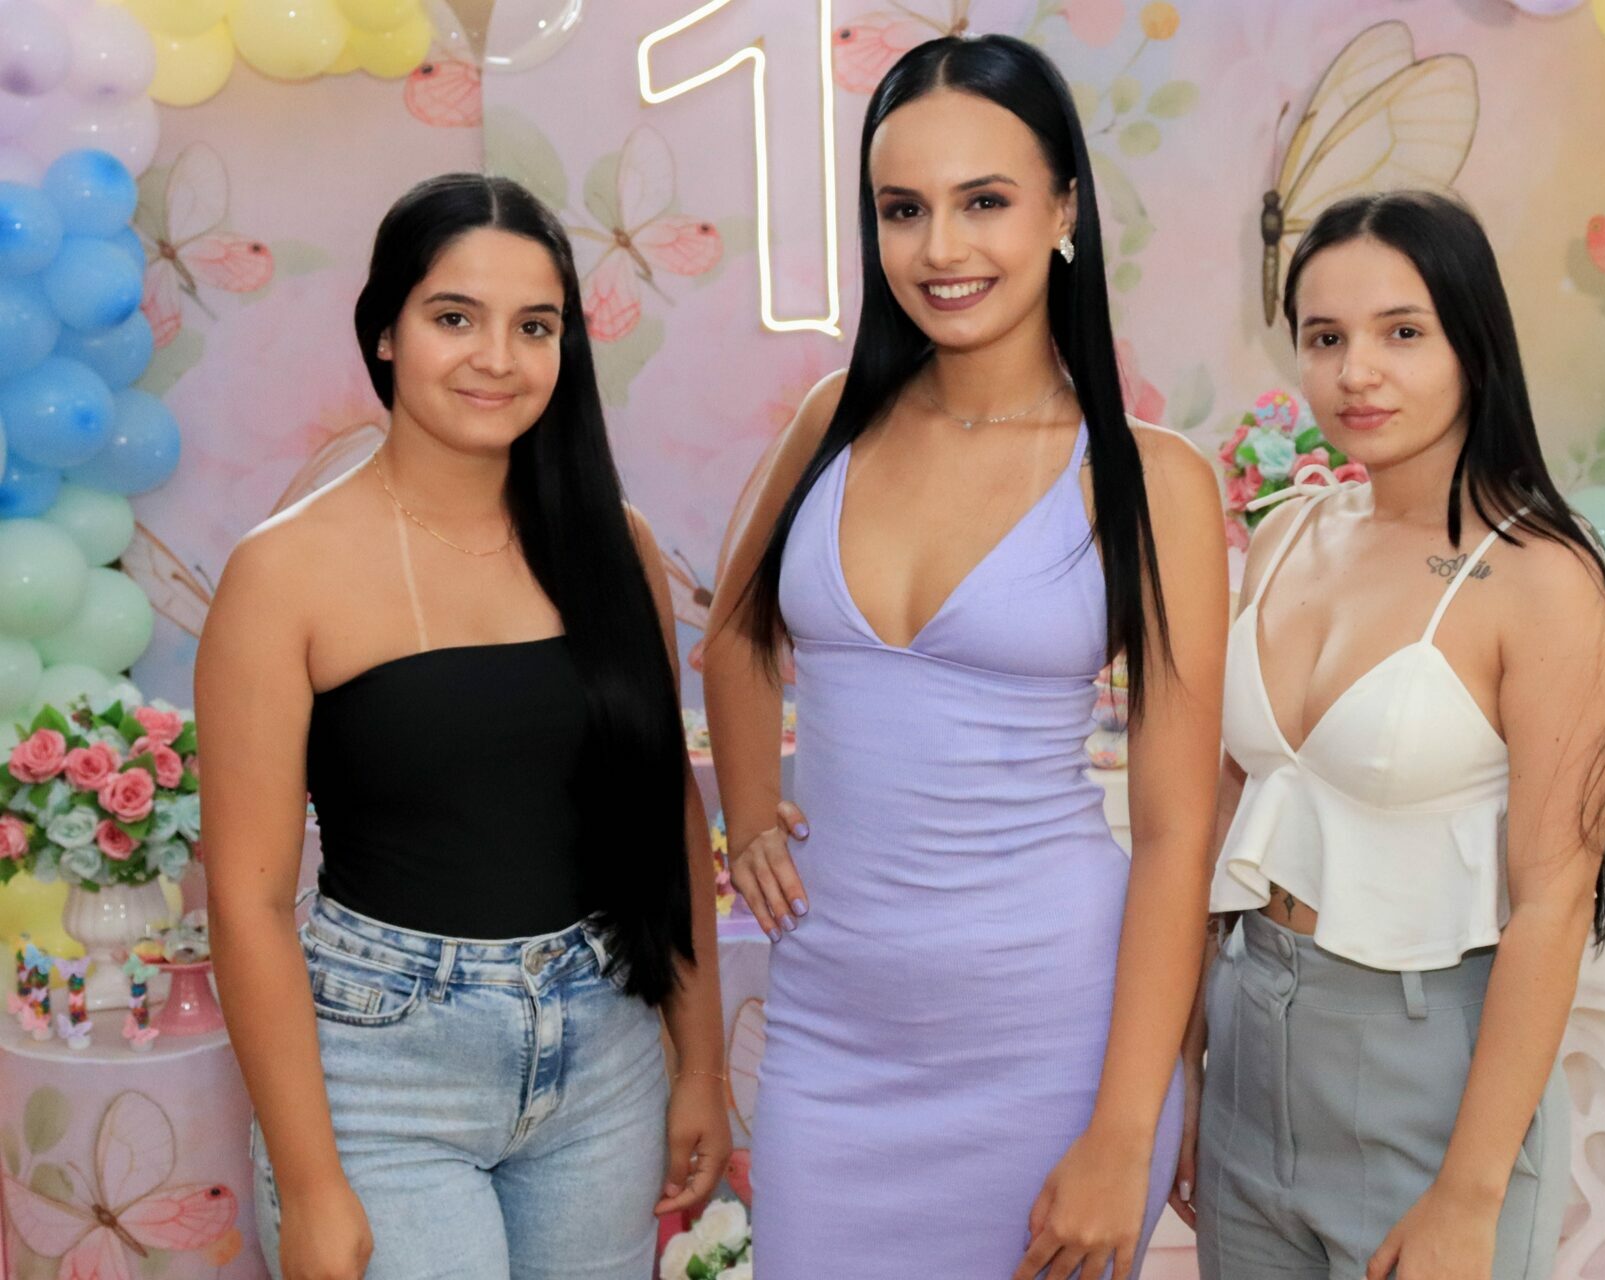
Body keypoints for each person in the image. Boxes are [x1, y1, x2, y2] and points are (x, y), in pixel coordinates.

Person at [701, 33, 1227, 1280]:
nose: (941, 248)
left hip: (1052, 1045)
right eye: (904, 209)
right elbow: (732, 633)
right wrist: (752, 811)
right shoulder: (833, 422)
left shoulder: (1149, 477)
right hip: (833, 1041)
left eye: (984, 201)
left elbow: (1175, 835)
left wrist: (1123, 1128)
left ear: (1063, 209)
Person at [198, 173, 729, 1280]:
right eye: (454, 317)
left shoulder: (615, 544)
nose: (497, 358)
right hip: (381, 1076)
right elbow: (246, 902)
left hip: (606, 1054)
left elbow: (662, 811)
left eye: (534, 326)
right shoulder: (283, 572)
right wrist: (311, 1182)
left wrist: (700, 1064)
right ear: (385, 331)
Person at [1178, 190, 1605, 1280]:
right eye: (1325, 338)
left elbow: (1553, 903)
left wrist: (1470, 1194)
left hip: (1433, 1081)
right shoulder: (1285, 533)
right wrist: (1189, 1070)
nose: (1358, 372)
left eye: (1402, 332)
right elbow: (1227, 813)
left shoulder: (1547, 579)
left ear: (1473, 342)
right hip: (1250, 1040)